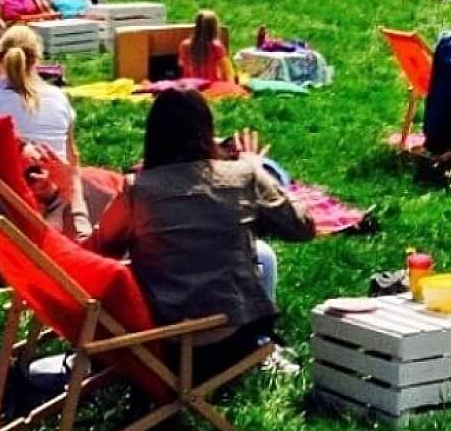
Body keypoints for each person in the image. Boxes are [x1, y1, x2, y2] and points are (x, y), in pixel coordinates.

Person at [86, 90, 315, 363]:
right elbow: (302, 227)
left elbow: (96, 252)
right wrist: (256, 167)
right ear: (207, 131)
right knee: (261, 254)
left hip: (159, 345)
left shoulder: (136, 191)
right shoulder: (243, 176)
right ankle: (267, 351)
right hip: (235, 336)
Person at [0, 24, 90, 236]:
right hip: (57, 198)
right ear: (37, 59)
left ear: (1, 60)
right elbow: (73, 159)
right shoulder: (59, 98)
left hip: (15, 209)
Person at [177, 10, 237, 83]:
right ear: (214, 28)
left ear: (196, 26)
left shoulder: (184, 45)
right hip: (211, 86)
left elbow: (182, 64)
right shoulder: (217, 46)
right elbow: (228, 72)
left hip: (191, 85)